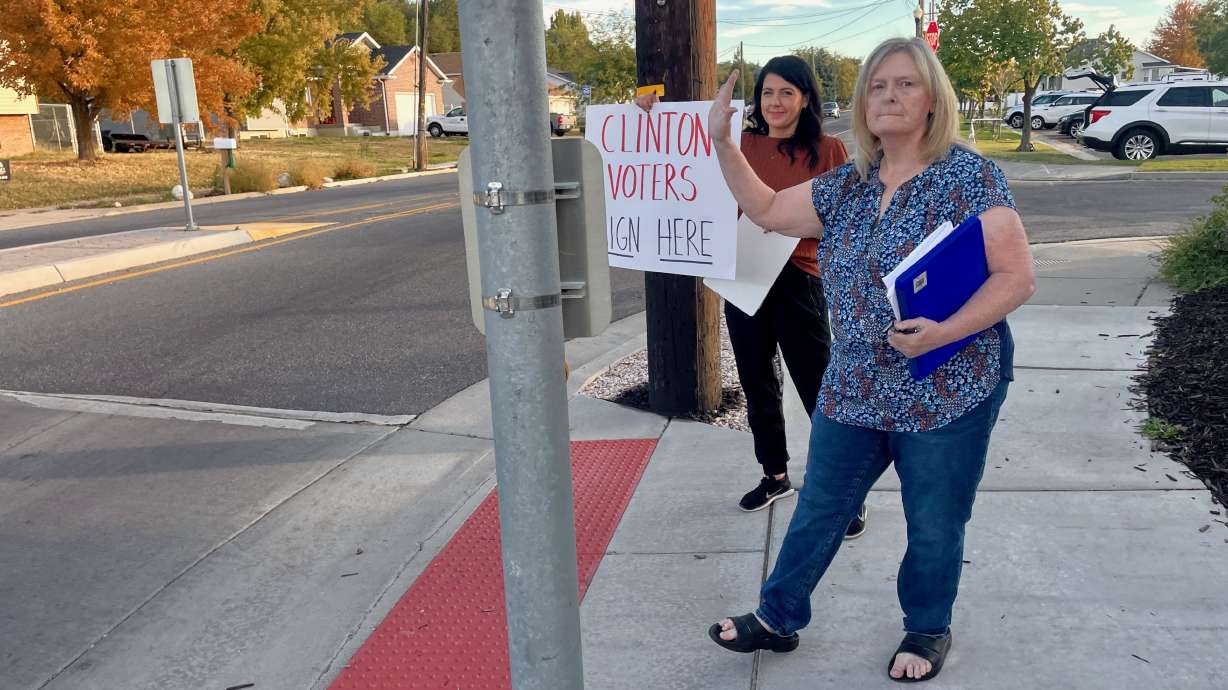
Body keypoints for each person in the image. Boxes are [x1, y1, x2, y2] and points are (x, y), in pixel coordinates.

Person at [703, 37, 1036, 683]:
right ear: (861, 103)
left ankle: (927, 628)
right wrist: (721, 143)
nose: (890, 95)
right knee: (821, 506)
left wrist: (945, 331)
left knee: (934, 521)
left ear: (933, 99)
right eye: (878, 85)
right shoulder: (847, 185)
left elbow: (1016, 277)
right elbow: (768, 209)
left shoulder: (969, 176)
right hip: (854, 383)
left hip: (948, 386)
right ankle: (777, 617)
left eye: (907, 84)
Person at [637, 56, 867, 537]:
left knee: (819, 388)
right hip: (743, 276)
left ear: (805, 97)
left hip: (799, 278)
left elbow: (848, 219)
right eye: (767, 93)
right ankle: (774, 475)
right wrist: (647, 109)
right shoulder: (738, 144)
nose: (775, 102)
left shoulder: (828, 150)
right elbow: (674, 150)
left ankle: (846, 490)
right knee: (757, 381)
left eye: (787, 92)